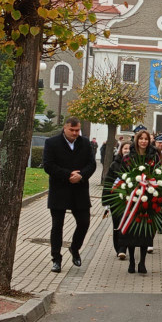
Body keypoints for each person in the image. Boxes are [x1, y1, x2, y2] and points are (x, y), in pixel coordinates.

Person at [42, 117, 97, 273]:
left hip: (79, 189)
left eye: (77, 130)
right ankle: (56, 259)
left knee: (84, 221)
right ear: (64, 128)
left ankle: (74, 248)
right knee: (57, 226)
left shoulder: (85, 143)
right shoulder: (52, 143)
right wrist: (67, 175)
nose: (75, 133)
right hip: (59, 189)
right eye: (72, 130)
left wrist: (82, 175)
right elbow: (48, 165)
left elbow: (91, 164)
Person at [117, 129, 161, 274]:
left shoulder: (154, 156)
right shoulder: (128, 157)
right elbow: (122, 175)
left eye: (146, 139)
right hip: (131, 197)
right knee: (131, 232)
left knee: (144, 232)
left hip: (148, 197)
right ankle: (131, 261)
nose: (143, 141)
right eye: (141, 139)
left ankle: (142, 262)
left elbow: (158, 174)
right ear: (136, 140)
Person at [103, 140, 132, 261]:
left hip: (130, 199)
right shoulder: (114, 164)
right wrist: (106, 201)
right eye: (125, 148)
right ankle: (118, 247)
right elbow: (108, 183)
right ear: (121, 150)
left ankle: (123, 248)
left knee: (127, 223)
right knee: (117, 223)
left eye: (129, 149)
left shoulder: (135, 163)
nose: (127, 151)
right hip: (116, 199)